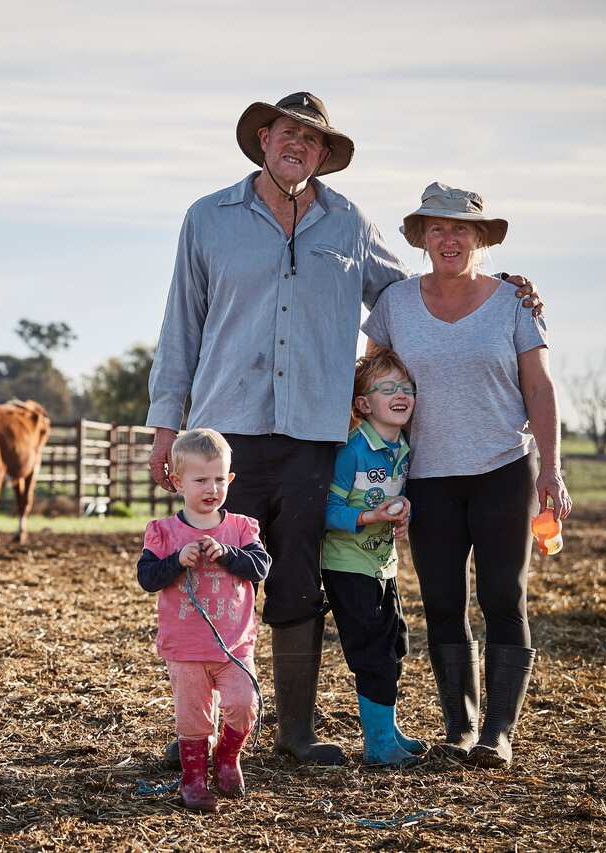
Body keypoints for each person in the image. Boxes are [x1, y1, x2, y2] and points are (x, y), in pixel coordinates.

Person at [146, 92, 541, 766]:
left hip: (311, 435)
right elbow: (180, 323)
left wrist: (491, 283)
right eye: (288, 134)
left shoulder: (350, 224)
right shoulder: (207, 219)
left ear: (326, 156)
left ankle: (294, 734)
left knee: (298, 580)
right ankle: (202, 732)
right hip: (226, 432)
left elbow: (403, 292)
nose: (299, 146)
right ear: (264, 139)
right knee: (211, 577)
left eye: (314, 140)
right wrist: (164, 424)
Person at [362, 182, 572, 769]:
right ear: (422, 238)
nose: (449, 238)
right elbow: (371, 382)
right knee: (444, 600)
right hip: (427, 476)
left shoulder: (514, 303)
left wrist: (551, 470)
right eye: (437, 228)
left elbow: (540, 388)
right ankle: (460, 726)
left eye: (461, 229)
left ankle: (498, 732)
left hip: (504, 468)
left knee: (503, 595)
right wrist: (373, 468)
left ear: (481, 238)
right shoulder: (395, 304)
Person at [137, 429, 271, 812]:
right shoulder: (163, 532)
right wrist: (176, 561)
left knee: (244, 704)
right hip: (186, 646)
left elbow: (260, 566)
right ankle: (193, 779)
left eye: (218, 478)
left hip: (234, 643)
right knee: (193, 717)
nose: (211, 488)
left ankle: (228, 758)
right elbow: (147, 578)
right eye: (200, 480)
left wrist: (228, 554)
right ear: (178, 482)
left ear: (229, 479)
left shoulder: (242, 528)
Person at [322, 349, 427, 766]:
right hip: (348, 565)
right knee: (372, 653)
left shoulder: (400, 446)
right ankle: (377, 744)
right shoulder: (353, 450)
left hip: (383, 563)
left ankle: (387, 728)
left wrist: (404, 512)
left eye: (407, 388)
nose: (401, 394)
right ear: (364, 404)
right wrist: (370, 516)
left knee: (394, 644)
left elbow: (394, 497)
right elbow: (327, 513)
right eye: (388, 388)